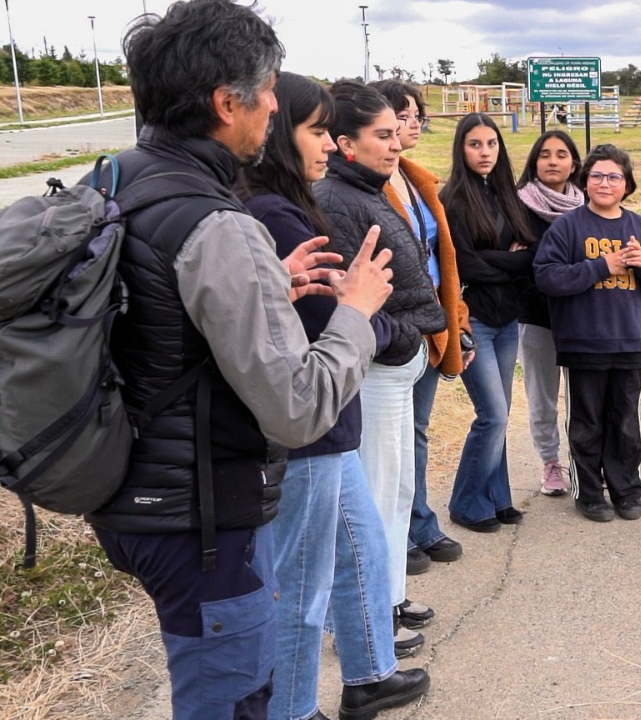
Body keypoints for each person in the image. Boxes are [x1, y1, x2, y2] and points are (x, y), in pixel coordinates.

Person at [82, 2, 393, 719]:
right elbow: (297, 409)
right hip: (200, 521)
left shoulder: (119, 177)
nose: (276, 107)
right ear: (229, 102)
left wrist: (263, 292)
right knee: (234, 699)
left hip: (127, 493)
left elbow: (157, 321)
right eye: (270, 90)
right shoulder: (218, 222)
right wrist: (357, 313)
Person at [237, 72, 428, 720]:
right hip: (308, 424)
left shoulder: (290, 205)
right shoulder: (275, 212)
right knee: (301, 586)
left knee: (360, 549)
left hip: (326, 422)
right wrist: (389, 325)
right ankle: (292, 709)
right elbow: (323, 317)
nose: (328, 143)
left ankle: (369, 671)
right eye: (315, 130)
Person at [314, 80, 448, 656]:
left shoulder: (370, 190)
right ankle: (360, 616)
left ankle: (386, 597)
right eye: (383, 135)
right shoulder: (339, 199)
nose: (396, 145)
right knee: (372, 497)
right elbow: (349, 295)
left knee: (394, 493)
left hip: (395, 361)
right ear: (347, 142)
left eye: (398, 133)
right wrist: (401, 335)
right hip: (374, 368)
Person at [534, 144, 641, 523]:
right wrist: (602, 266)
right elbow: (547, 277)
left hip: (629, 342)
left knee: (625, 423)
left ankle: (626, 490)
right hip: (582, 344)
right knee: (587, 423)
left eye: (614, 176)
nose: (605, 183)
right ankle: (590, 494)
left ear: (626, 184)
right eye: (597, 175)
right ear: (584, 182)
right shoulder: (567, 227)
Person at [367, 79, 467, 574]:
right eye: (401, 116)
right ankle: (397, 534)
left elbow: (442, 261)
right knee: (392, 439)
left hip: (430, 322)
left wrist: (457, 321)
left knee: (418, 431)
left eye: (414, 116)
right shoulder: (373, 185)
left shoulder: (417, 178)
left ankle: (420, 522)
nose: (412, 125)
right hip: (396, 327)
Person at [439, 113, 536, 532]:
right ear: (461, 149)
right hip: (472, 320)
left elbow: (531, 257)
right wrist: (508, 261)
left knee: (503, 414)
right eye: (475, 144)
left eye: (491, 144)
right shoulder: (451, 201)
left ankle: (497, 498)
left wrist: (508, 262)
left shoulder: (509, 196)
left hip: (507, 321)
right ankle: (465, 503)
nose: (485, 152)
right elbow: (464, 265)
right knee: (492, 415)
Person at [516, 130, 585, 497]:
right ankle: (550, 463)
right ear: (534, 161)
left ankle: (584, 460)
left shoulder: (589, 206)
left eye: (561, 154)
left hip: (581, 317)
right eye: (545, 154)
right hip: (535, 315)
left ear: (574, 163)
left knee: (584, 395)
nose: (553, 161)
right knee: (542, 395)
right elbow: (519, 264)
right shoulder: (518, 205)